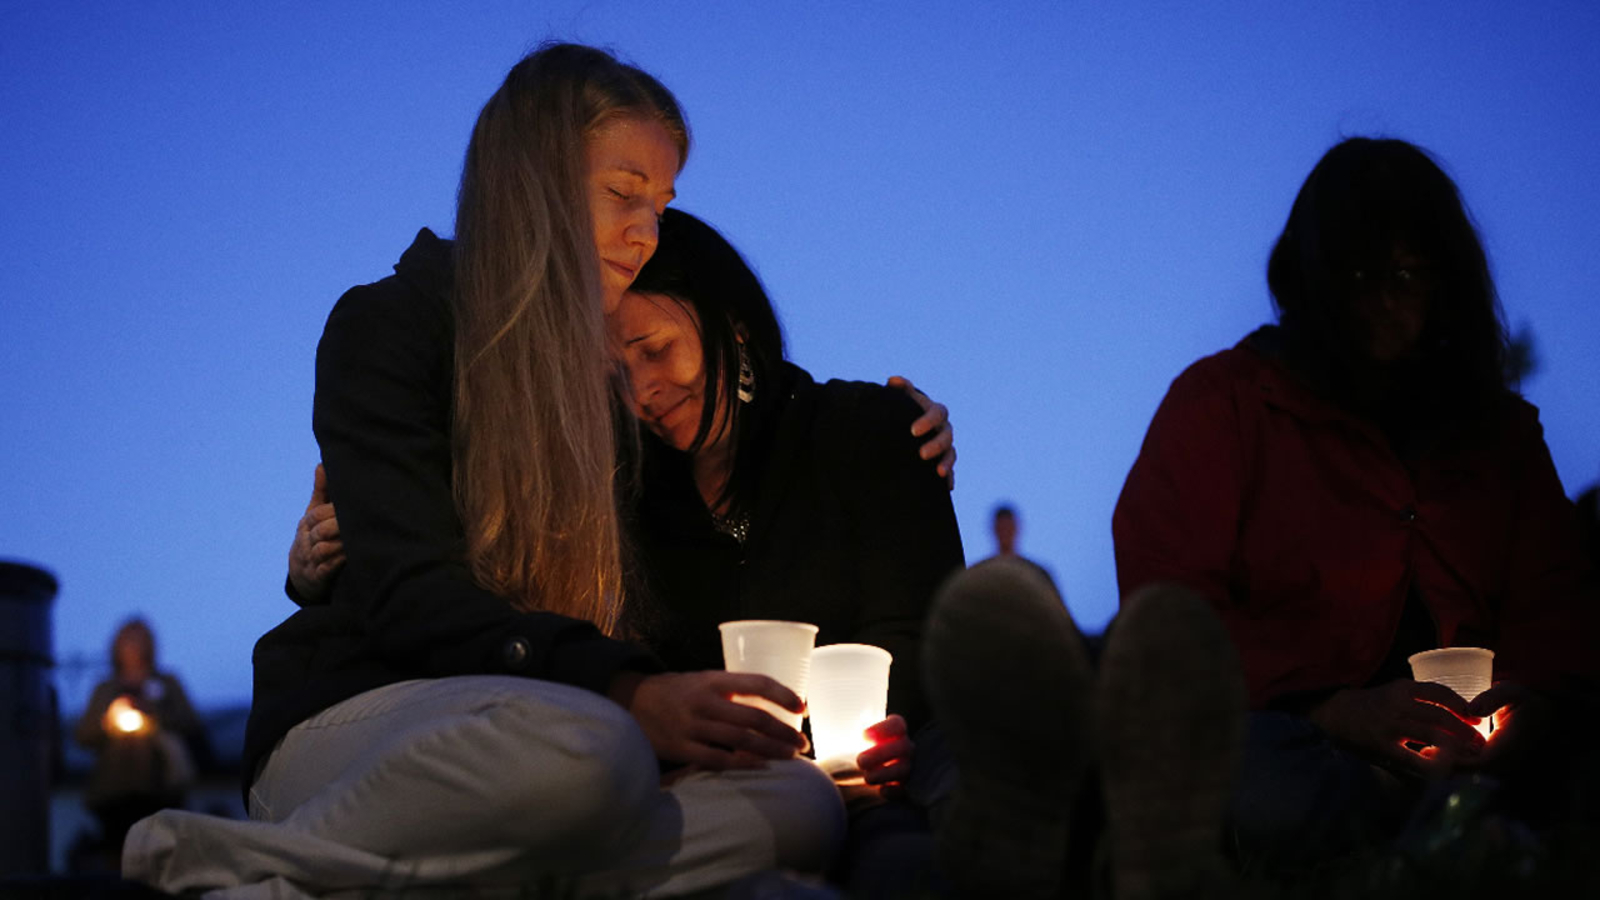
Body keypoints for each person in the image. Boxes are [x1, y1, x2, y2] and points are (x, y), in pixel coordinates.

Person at [123, 43, 852, 899]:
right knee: (594, 750)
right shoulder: (392, 325)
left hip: (549, 732)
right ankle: (226, 859)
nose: (647, 235)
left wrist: (871, 422)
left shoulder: (604, 386)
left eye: (660, 207)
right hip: (376, 716)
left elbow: (719, 473)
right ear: (534, 178)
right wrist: (623, 691)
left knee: (801, 802)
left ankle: (383, 883)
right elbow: (408, 590)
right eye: (624, 195)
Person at [288, 208, 967, 896]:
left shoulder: (861, 432)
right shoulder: (619, 494)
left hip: (892, 768)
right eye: (613, 375)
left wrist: (857, 745)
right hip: (750, 787)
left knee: (910, 841)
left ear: (730, 321)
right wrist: (316, 564)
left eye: (654, 349)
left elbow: (924, 631)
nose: (642, 392)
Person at [1112, 137, 1600, 873]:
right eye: (1359, 278)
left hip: (1491, 756)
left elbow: (1559, 604)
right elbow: (1171, 616)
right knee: (1255, 780)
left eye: (1404, 277)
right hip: (1294, 737)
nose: (1381, 304)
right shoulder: (1226, 406)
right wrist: (1336, 711)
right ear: (1313, 282)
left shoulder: (1497, 436)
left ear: (1444, 285)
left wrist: (1532, 704)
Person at [74, 618, 203, 855]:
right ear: (116, 645)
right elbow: (83, 735)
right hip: (113, 791)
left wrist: (152, 716)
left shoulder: (167, 682)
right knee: (119, 854)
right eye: (128, 639)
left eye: (139, 639)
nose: (133, 645)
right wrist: (109, 721)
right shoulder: (105, 688)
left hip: (161, 786)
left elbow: (191, 722)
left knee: (160, 854)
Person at [982, 503, 1058, 596]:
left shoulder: (1037, 574)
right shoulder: (980, 576)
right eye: (1001, 528)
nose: (1005, 532)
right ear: (994, 529)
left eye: (1008, 527)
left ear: (1016, 529)